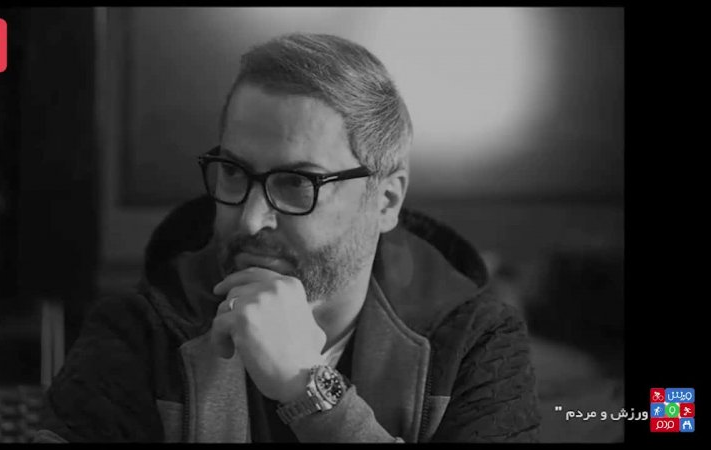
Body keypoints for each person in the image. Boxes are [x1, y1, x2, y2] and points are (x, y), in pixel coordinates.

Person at [35, 33, 540, 443]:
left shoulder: (475, 342)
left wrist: (310, 391)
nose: (251, 220)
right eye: (234, 172)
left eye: (297, 183)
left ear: (386, 201)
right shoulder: (139, 330)